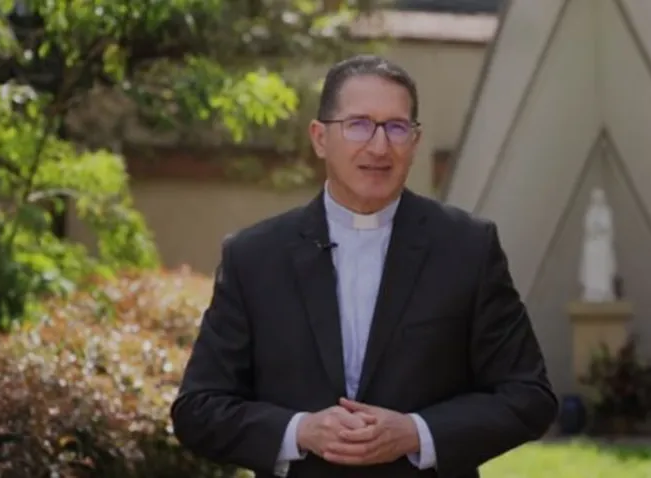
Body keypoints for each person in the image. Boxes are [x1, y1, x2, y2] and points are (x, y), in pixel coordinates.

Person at [170, 54, 558, 478]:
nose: (379, 146)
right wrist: (301, 431)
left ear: (415, 141)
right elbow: (198, 409)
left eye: (396, 127)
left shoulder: (467, 247)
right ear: (320, 138)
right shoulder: (255, 256)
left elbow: (528, 396)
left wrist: (416, 433)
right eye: (358, 125)